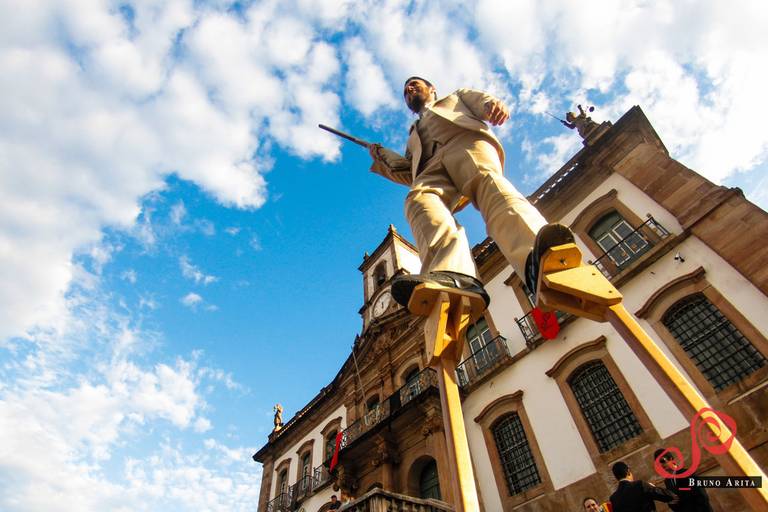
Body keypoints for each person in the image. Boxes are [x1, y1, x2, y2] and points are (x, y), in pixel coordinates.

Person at [368, 76, 573, 310]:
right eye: (405, 91)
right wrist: (381, 155)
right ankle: (453, 274)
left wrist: (492, 106)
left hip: (464, 143)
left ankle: (534, 252)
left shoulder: (456, 97)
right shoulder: (412, 136)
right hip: (431, 168)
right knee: (418, 200)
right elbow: (409, 170)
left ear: (432, 88)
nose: (409, 90)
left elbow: (482, 101)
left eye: (414, 84)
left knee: (489, 185)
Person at [609, 461, 676, 512]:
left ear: (616, 477)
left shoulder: (613, 498)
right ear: (628, 472)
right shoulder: (639, 485)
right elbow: (669, 496)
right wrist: (651, 487)